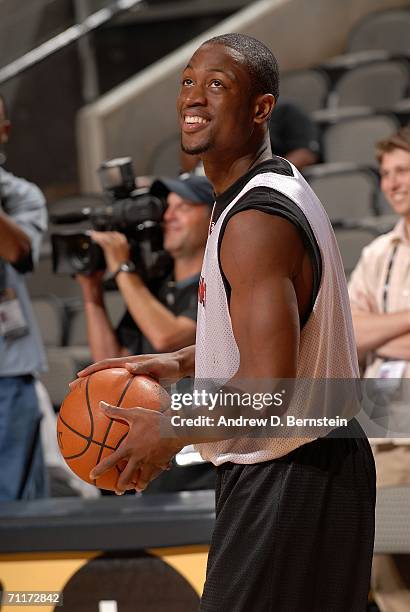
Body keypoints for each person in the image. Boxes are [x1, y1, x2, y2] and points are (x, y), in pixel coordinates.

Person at [76, 34, 375, 610]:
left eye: (218, 85)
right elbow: (274, 339)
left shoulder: (255, 221)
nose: (195, 98)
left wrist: (167, 427)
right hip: (321, 459)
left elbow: (269, 391)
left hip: (291, 468)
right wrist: (181, 360)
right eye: (188, 82)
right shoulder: (258, 191)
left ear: (261, 108)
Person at [77, 173, 215, 492]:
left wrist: (123, 269)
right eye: (166, 207)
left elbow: (169, 338)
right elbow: (110, 366)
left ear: (212, 215)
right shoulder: (151, 289)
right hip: (151, 464)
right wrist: (91, 291)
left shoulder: (218, 281)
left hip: (200, 470)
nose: (168, 215)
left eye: (183, 206)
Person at [348, 126, 410, 612]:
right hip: (386, 428)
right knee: (386, 564)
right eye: (387, 173)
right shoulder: (377, 254)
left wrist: (382, 328)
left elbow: (373, 330)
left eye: (404, 170)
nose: (394, 183)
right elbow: (352, 332)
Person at [0, 93, 48, 500]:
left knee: (13, 507)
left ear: (4, 131)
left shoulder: (22, 196)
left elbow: (18, 251)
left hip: (7, 373)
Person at [180, 100, 320, 173]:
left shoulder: (285, 111)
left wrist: (265, 176)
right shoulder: (214, 117)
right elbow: (188, 169)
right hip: (209, 190)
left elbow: (305, 155)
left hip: (264, 187)